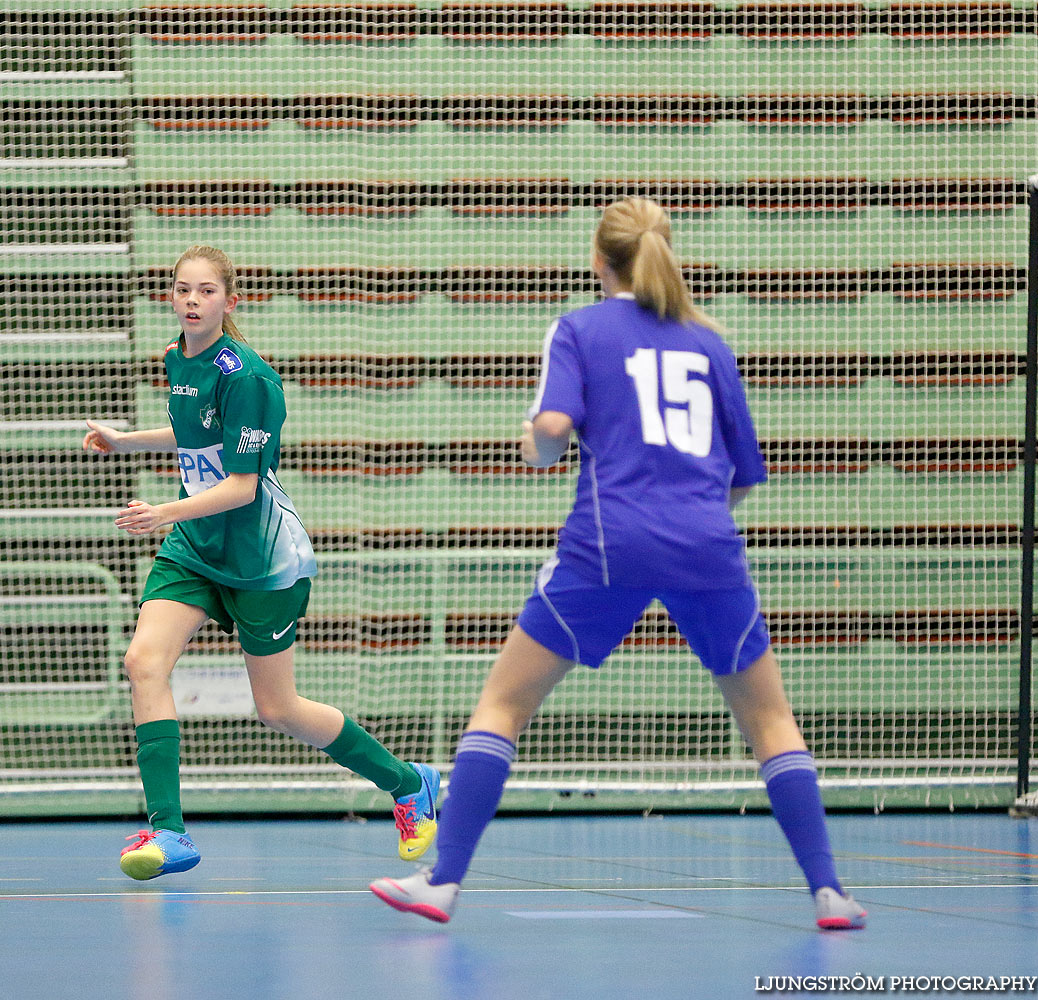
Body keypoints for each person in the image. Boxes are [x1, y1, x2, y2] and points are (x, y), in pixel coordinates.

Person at [369, 198, 867, 931]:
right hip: (707, 544)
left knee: (503, 705)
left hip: (609, 544)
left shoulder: (580, 328)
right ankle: (829, 893)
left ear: (598, 261)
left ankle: (442, 884)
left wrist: (537, 442)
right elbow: (744, 474)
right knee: (769, 718)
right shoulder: (709, 343)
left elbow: (552, 430)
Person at [83, 244, 440, 879]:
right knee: (143, 662)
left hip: (260, 559)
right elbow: (194, 434)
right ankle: (171, 834)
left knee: (278, 710)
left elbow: (243, 485)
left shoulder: (248, 377)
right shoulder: (176, 358)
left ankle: (408, 783)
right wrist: (124, 438)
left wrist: (163, 511)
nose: (192, 300)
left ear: (229, 301)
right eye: (182, 289)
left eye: (206, 291)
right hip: (196, 547)